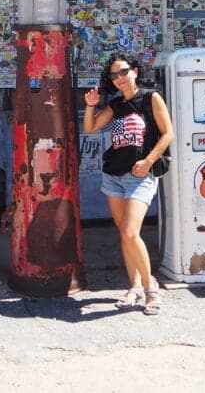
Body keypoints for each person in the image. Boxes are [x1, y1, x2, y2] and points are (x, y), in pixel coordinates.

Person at [83, 53, 174, 316]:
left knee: (132, 232)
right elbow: (91, 128)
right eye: (114, 75)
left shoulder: (150, 98)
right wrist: (91, 105)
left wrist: (148, 160)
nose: (120, 78)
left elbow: (168, 133)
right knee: (124, 232)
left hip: (140, 176)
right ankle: (133, 286)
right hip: (113, 175)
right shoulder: (115, 105)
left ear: (135, 71)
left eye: (123, 72)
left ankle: (150, 287)